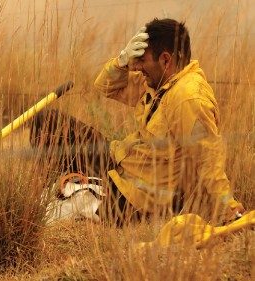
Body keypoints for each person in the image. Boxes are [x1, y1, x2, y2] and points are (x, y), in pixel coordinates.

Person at [33, 18, 245, 225]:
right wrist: (122, 61)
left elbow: (208, 160)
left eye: (142, 60)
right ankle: (61, 185)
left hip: (139, 198)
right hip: (120, 161)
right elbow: (106, 86)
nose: (138, 67)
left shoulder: (188, 98)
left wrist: (229, 209)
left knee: (50, 210)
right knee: (47, 121)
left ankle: (69, 192)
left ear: (165, 60)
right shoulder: (159, 81)